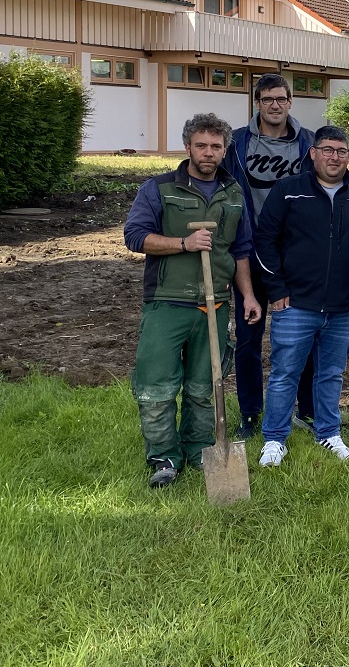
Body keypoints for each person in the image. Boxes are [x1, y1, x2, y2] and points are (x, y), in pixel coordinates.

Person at [124, 113, 262, 489]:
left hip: (215, 304)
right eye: (201, 145)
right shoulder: (159, 189)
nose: (208, 153)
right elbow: (135, 236)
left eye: (216, 146)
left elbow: (242, 249)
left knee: (206, 386)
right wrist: (183, 244)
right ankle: (164, 456)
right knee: (156, 388)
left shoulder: (234, 193)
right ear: (187, 147)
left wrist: (247, 295)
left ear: (225, 150)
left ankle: (201, 449)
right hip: (167, 303)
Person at [255, 125, 349, 466]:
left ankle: (328, 432)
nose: (334, 157)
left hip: (344, 306)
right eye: (327, 149)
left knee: (331, 373)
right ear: (312, 153)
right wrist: (277, 288)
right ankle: (274, 439)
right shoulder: (288, 190)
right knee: (285, 373)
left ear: (348, 156)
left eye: (341, 151)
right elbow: (265, 240)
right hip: (295, 302)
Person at [222, 73, 317, 439]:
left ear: (290, 102)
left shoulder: (307, 142)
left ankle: (305, 410)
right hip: (249, 253)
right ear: (257, 103)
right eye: (267, 99)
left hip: (295, 256)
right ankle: (250, 412)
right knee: (249, 338)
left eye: (280, 99)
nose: (274, 105)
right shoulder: (237, 142)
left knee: (304, 337)